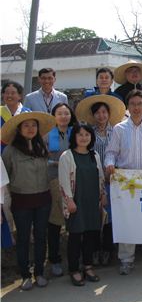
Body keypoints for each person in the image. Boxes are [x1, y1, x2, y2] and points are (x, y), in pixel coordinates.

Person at [104, 89, 142, 274]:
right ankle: (126, 260)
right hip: (126, 182)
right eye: (133, 104)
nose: (137, 107)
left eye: (140, 104)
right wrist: (109, 164)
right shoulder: (119, 129)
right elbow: (111, 153)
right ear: (128, 107)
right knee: (127, 221)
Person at [1, 111, 56, 290]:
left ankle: (39, 272)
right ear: (19, 129)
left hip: (43, 198)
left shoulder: (42, 146)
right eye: (26, 125)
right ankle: (25, 274)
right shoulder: (10, 151)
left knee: (41, 236)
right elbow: (5, 177)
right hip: (21, 201)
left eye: (34, 125)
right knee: (23, 238)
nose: (30, 129)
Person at [75, 94, 126, 267]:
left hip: (115, 180)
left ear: (109, 113)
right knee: (96, 216)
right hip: (94, 180)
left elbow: (121, 154)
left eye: (104, 112)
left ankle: (108, 250)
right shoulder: (89, 133)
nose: (101, 116)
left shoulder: (118, 131)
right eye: (97, 113)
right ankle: (93, 250)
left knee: (112, 217)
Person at [58, 123, 106, 286]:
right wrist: (69, 200)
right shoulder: (67, 156)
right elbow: (64, 181)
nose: (84, 137)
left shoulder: (95, 156)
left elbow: (100, 177)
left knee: (91, 235)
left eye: (87, 134)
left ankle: (87, 266)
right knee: (75, 236)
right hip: (76, 203)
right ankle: (74, 269)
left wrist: (102, 195)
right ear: (74, 137)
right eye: (80, 134)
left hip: (92, 202)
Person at [44, 102, 77, 278]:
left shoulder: (75, 133)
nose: (64, 117)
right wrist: (58, 163)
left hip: (74, 180)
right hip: (54, 181)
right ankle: (54, 259)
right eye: (60, 113)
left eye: (66, 113)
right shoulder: (47, 135)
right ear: (54, 116)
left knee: (75, 220)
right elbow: (41, 158)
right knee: (55, 221)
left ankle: (75, 257)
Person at [1, 81, 31, 152]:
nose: (9, 95)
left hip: (22, 154)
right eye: (7, 93)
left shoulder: (28, 113)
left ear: (20, 96)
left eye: (13, 93)